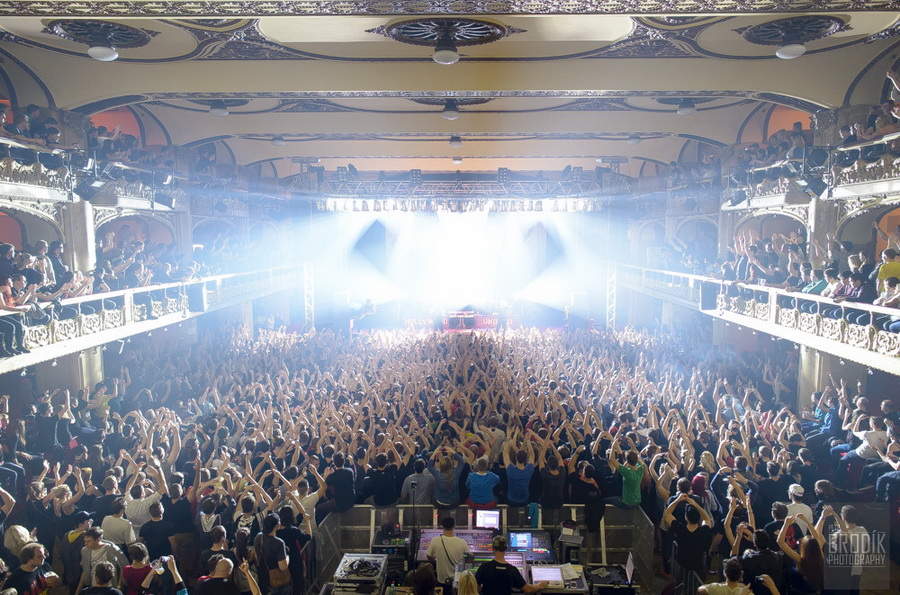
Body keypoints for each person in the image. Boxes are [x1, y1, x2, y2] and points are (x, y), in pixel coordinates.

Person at [475, 536, 548, 595]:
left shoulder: (484, 567)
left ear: (493, 549)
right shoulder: (512, 570)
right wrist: (539, 586)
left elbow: (475, 589)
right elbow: (528, 589)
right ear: (505, 549)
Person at [426, 516, 470, 592]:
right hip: (457, 580)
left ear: (442, 527)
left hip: (442, 580)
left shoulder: (436, 540)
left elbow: (428, 556)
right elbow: (468, 559)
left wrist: (434, 558)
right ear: (454, 526)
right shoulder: (463, 542)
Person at [253, 513, 290, 595]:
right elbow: (283, 567)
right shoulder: (279, 543)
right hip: (277, 581)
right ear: (276, 525)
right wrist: (287, 557)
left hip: (262, 577)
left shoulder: (258, 537)